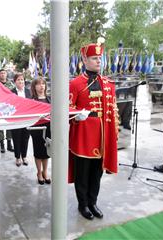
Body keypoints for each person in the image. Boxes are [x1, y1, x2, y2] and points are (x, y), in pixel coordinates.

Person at [68, 41, 119, 220]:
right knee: (82, 173)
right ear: (85, 59)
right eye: (94, 58)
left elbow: (112, 111)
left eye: (100, 58)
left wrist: (113, 134)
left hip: (101, 135)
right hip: (83, 135)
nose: (99, 61)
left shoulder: (107, 84)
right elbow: (67, 110)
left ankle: (93, 202)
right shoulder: (75, 83)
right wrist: (76, 116)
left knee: (97, 172)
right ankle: (83, 205)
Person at [30, 77, 51, 185]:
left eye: (43, 83)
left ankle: (45, 171)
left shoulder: (50, 99)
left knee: (47, 151)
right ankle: (39, 172)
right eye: (39, 84)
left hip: (48, 128)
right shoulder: (32, 100)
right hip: (37, 129)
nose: (41, 86)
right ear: (34, 86)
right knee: (38, 152)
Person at [11, 73, 31, 167]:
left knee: (25, 138)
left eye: (22, 79)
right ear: (15, 82)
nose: (20, 81)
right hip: (15, 120)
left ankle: (24, 156)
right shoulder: (11, 92)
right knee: (16, 138)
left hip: (27, 119)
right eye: (18, 80)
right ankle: (17, 157)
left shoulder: (28, 92)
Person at [0, 68, 15, 153]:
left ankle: (9, 144)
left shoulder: (10, 84)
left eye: (4, 73)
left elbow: (14, 94)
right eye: (1, 73)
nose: (3, 75)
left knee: (9, 125)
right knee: (0, 126)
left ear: (6, 74)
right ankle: (2, 145)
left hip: (8, 107)